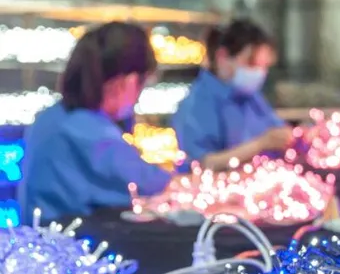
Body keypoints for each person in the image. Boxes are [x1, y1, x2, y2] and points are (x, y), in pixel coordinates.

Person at [19, 22, 171, 221]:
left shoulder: (54, 117)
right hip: (69, 237)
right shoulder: (87, 131)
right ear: (126, 81)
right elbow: (148, 182)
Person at [172, 19, 292, 170]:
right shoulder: (196, 106)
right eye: (251, 64)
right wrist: (260, 144)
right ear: (222, 57)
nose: (259, 73)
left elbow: (278, 132)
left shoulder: (251, 98)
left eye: (264, 66)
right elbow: (203, 164)